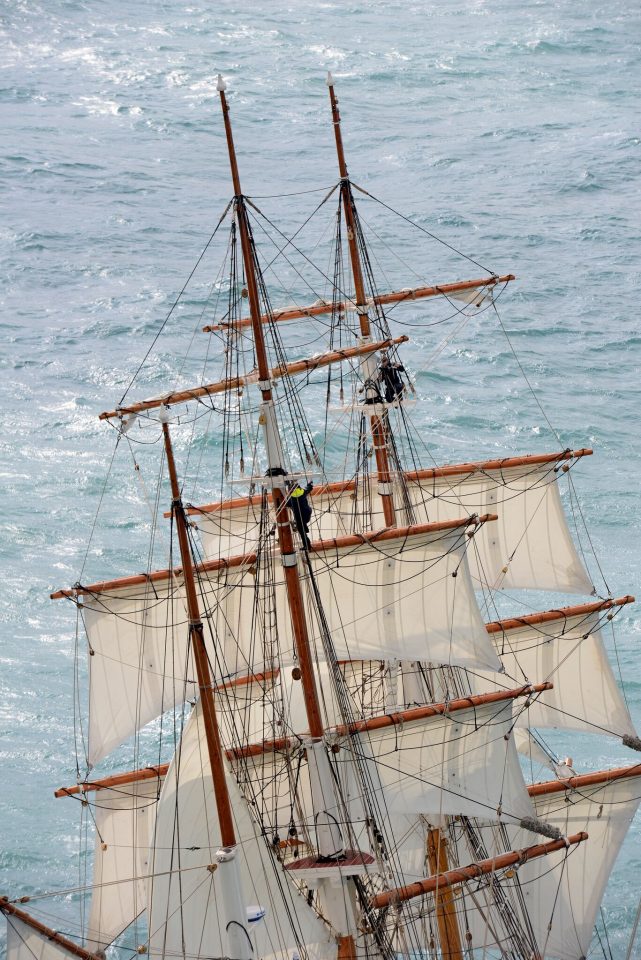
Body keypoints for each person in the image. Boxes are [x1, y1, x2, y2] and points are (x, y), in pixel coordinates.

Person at [288, 480, 313, 549]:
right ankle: (305, 528)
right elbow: (309, 488)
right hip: (307, 513)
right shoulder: (303, 492)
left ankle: (307, 546)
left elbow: (285, 504)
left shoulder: (291, 499)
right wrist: (309, 484)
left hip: (299, 517)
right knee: (303, 525)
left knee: (302, 532)